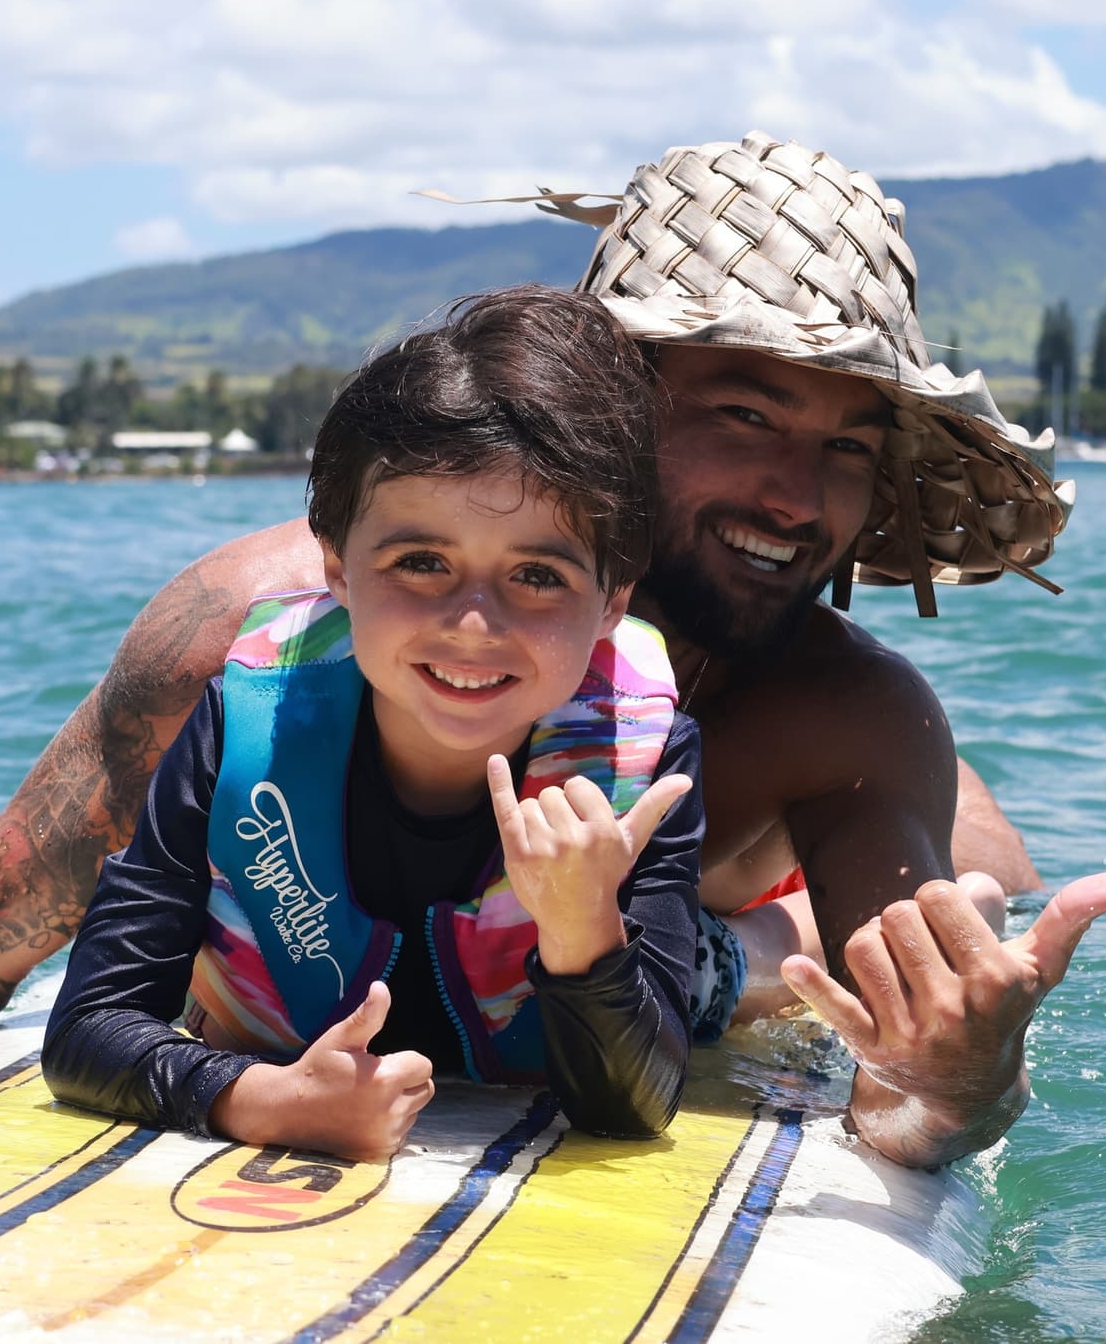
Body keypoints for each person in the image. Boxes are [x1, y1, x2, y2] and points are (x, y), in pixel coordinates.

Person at [0, 132, 1106, 1170]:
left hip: (670, 955)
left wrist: (963, 1072)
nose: (795, 494)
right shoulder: (244, 640)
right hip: (315, 945)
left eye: (846, 445)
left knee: (868, 931)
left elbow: (907, 1095)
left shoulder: (846, 716)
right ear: (604, 407)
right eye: (744, 414)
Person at [40, 287, 700, 1161]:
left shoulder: (643, 766)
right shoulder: (245, 725)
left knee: (720, 978)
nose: (474, 625)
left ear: (614, 598)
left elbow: (634, 1109)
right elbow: (88, 1027)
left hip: (627, 968)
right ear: (336, 565)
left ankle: (768, 941)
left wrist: (584, 929)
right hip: (278, 1021)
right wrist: (253, 1098)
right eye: (420, 562)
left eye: (538, 576)